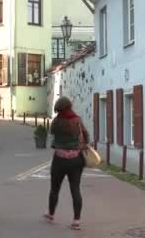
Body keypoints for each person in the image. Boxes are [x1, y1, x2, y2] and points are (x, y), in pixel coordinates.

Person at [43, 96, 90, 230]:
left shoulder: (56, 122)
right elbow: (86, 136)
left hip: (60, 160)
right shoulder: (77, 120)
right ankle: (76, 220)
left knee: (54, 189)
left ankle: (51, 214)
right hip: (76, 160)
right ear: (69, 106)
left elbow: (51, 135)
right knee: (75, 189)